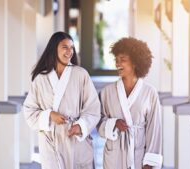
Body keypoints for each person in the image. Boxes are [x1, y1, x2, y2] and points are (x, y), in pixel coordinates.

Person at [23, 32, 100, 169]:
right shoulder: (41, 78)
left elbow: (93, 108)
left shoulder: (81, 74)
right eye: (65, 47)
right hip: (50, 141)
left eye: (72, 48)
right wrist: (49, 115)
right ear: (54, 48)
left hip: (76, 141)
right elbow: (29, 110)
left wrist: (80, 126)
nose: (69, 52)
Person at [97, 37, 163, 169]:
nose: (118, 64)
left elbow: (154, 130)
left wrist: (149, 163)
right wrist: (113, 123)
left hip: (139, 155)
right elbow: (98, 122)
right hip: (113, 156)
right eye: (116, 60)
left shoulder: (150, 93)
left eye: (123, 60)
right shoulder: (106, 92)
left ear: (135, 62)